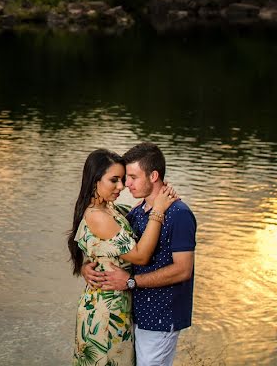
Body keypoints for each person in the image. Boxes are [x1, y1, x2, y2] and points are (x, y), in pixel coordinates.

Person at [83, 142, 196, 366]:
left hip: (161, 318)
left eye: (133, 177)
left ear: (154, 175)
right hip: (134, 315)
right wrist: (87, 265)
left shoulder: (179, 214)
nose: (126, 185)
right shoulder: (136, 212)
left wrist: (131, 282)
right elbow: (111, 245)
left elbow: (183, 270)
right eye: (124, 178)